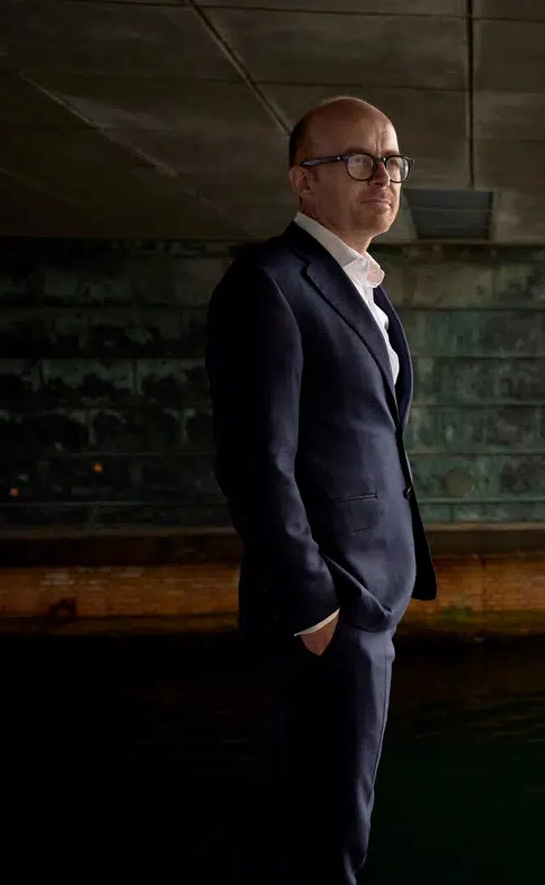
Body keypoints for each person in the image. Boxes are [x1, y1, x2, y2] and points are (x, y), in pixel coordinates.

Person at [205, 96, 437, 883]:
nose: (384, 176)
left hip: (368, 598)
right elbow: (254, 463)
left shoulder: (364, 288)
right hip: (331, 604)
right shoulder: (269, 284)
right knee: (329, 832)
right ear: (304, 181)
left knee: (309, 817)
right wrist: (315, 608)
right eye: (359, 160)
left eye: (393, 160)